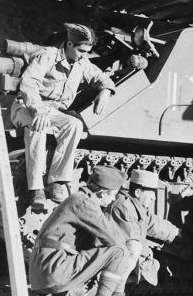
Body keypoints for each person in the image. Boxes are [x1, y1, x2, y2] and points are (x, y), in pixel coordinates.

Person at [11, 23, 116, 209]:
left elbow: (102, 78)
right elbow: (29, 84)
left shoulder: (82, 63)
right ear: (69, 44)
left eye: (87, 52)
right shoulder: (47, 56)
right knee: (38, 124)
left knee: (74, 124)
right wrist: (39, 110)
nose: (84, 55)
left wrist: (106, 91)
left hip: (55, 112)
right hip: (27, 107)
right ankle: (36, 189)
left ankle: (57, 181)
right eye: (81, 50)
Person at [29, 165, 137, 296]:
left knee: (96, 253)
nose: (113, 200)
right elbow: (114, 240)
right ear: (102, 193)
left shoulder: (77, 198)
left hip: (43, 269)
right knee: (119, 252)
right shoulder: (85, 203)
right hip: (54, 268)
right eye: (113, 196)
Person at [107, 169, 181, 296]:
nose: (154, 198)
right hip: (110, 252)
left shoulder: (134, 205)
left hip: (115, 252)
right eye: (151, 193)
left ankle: (112, 286)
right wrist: (148, 256)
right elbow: (132, 237)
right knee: (135, 249)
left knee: (147, 263)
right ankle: (115, 294)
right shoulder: (123, 206)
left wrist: (175, 232)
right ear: (137, 192)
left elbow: (151, 222)